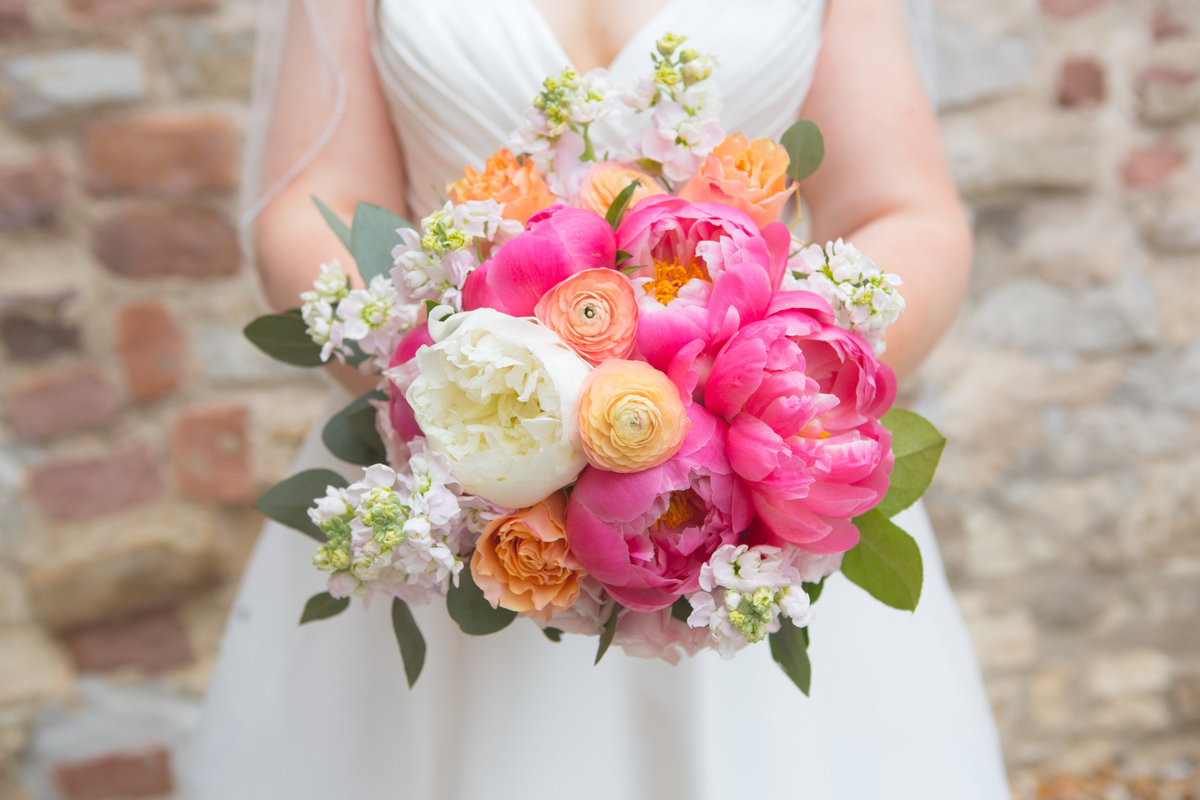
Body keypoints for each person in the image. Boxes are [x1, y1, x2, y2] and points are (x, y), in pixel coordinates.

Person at [184, 1, 1010, 797]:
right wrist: (468, 425)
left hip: (742, 527)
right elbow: (307, 208)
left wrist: (762, 420)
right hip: (440, 493)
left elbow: (904, 211)